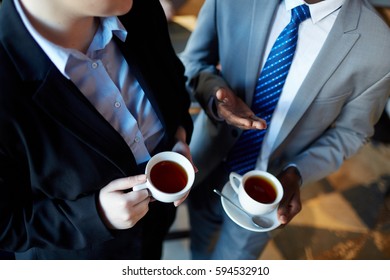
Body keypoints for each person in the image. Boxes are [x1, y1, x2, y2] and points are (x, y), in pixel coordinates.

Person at [180, 0, 390, 259]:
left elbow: (353, 132)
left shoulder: (379, 45)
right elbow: (192, 63)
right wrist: (214, 95)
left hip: (272, 192)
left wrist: (297, 172)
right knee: (198, 249)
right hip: (206, 164)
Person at [0, 0, 194, 259]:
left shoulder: (142, 9)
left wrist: (179, 137)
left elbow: (173, 85)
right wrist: (96, 215)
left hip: (154, 232)